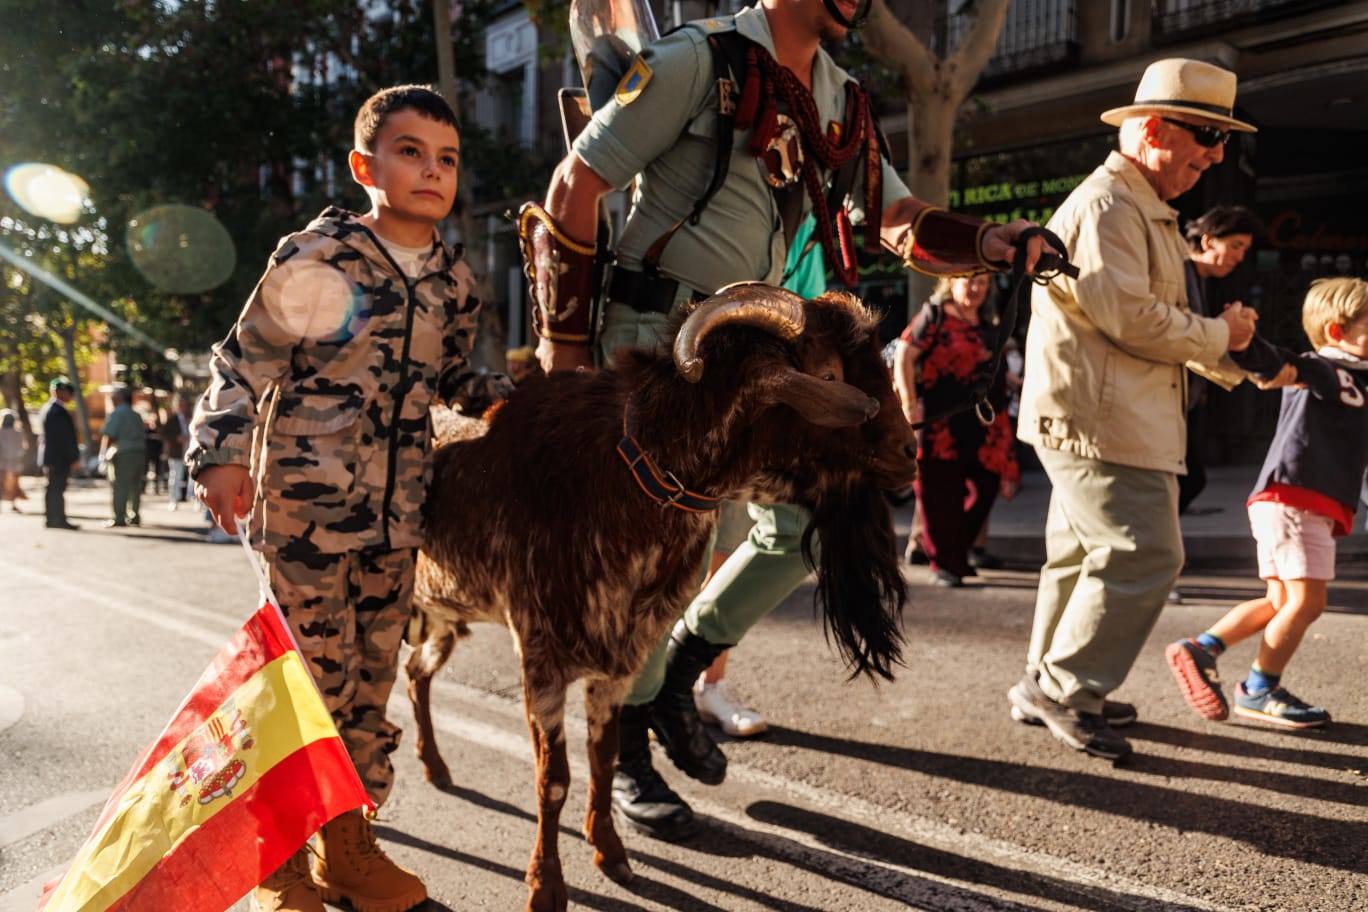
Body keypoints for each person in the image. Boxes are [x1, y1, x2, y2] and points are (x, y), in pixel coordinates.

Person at [528, 0, 1054, 838]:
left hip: (757, 347)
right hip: (660, 344)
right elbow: (575, 184)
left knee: (811, 517)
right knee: (663, 558)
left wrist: (992, 241)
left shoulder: (838, 94)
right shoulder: (699, 61)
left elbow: (893, 220)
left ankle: (680, 672)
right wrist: (564, 356)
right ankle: (625, 747)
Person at [188, 85, 508, 912]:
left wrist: (516, 398)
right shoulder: (317, 259)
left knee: (369, 689)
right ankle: (279, 858)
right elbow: (243, 362)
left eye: (446, 159)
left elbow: (458, 381)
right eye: (411, 152)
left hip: (399, 523)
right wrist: (220, 453)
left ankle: (349, 846)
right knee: (302, 686)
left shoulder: (452, 279)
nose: (432, 171)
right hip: (303, 515)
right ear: (366, 166)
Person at [1008, 58, 1265, 761]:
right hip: (1105, 418)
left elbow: (1149, 315)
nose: (1215, 156)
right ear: (1153, 129)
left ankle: (1054, 683)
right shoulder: (1109, 207)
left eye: (1222, 142)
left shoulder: (1133, 205)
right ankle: (1065, 688)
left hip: (1100, 411)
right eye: (1207, 136)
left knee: (1081, 556)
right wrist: (1224, 337)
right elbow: (1135, 320)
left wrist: (1230, 354)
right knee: (1145, 551)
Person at [1166, 277, 1368, 729]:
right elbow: (1276, 366)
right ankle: (1260, 687)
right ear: (1337, 333)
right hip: (1297, 499)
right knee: (1307, 602)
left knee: (1280, 599)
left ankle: (1201, 649)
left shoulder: (1355, 381)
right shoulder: (1327, 368)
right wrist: (1241, 339)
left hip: (1287, 501)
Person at [893, 274, 1019, 586]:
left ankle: (954, 552)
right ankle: (945, 562)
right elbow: (904, 355)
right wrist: (909, 403)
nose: (976, 289)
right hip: (941, 419)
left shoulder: (987, 321)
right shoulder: (933, 316)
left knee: (986, 485)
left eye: (983, 282)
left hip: (983, 422)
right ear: (951, 281)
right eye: (969, 280)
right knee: (940, 493)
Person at [1179, 205, 1263, 515]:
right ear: (1207, 241)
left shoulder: (1201, 279)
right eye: (1235, 246)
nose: (1239, 257)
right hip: (1165, 396)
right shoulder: (1177, 272)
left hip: (1188, 395)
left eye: (1244, 249)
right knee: (1190, 477)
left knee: (1190, 475)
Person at [99, 388, 147, 528]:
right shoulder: (136, 414)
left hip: (123, 453)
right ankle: (134, 515)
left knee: (120, 486)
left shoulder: (117, 413)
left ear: (119, 399)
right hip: (139, 453)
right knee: (135, 486)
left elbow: (109, 435)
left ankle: (119, 516)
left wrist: (103, 454)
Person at [38, 378, 81, 530]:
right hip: (58, 457)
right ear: (60, 392)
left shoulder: (49, 408)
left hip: (52, 456)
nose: (70, 396)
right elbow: (64, 438)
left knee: (53, 488)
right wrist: (73, 457)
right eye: (68, 392)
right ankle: (56, 519)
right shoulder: (56, 411)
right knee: (56, 488)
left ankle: (53, 518)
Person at [0, 409, 28, 512]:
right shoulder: (18, 433)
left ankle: (12, 504)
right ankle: (12, 504)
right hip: (12, 463)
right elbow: (23, 448)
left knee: (8, 484)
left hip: (5, 462)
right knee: (10, 484)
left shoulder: (17, 432)